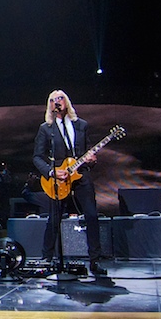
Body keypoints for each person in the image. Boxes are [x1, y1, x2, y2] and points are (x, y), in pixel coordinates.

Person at [33, 90, 106, 276]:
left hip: (81, 175)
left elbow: (89, 152)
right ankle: (47, 258)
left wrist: (92, 160)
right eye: (52, 100)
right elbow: (37, 157)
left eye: (60, 98)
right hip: (59, 179)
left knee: (91, 215)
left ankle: (95, 260)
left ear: (66, 102)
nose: (57, 101)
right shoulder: (46, 129)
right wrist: (52, 172)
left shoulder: (81, 125)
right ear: (49, 105)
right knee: (54, 219)